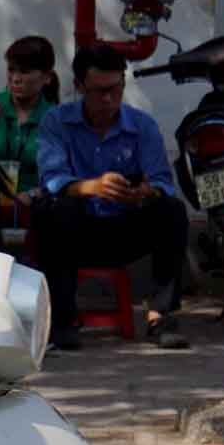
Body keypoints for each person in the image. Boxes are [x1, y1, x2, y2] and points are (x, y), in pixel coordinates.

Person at [35, 44, 191, 351]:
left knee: (172, 210)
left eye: (115, 89)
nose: (108, 99)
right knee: (52, 209)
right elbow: (52, 178)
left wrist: (144, 193)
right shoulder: (56, 121)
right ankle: (61, 319)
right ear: (80, 87)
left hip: (125, 229)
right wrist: (91, 187)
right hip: (76, 231)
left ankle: (161, 315)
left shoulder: (142, 125)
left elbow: (162, 181)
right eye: (98, 91)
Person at [0, 34, 59, 195]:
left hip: (32, 206)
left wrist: (32, 195)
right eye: (11, 69)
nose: (15, 79)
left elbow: (59, 178)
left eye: (24, 71)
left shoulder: (56, 119)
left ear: (47, 77)